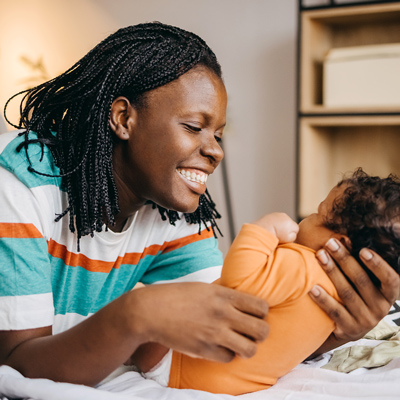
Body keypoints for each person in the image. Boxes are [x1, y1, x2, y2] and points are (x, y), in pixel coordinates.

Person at [0, 22, 398, 388]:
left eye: (219, 134)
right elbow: (15, 368)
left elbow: (234, 332)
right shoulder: (21, 188)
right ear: (123, 118)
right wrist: (136, 314)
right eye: (194, 127)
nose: (215, 151)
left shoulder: (170, 208)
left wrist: (333, 329)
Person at [132, 169, 400, 395]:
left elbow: (239, 286)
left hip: (180, 363)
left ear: (337, 243)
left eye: (318, 214)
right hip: (230, 383)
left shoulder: (304, 266)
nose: (305, 219)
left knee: (141, 311)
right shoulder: (338, 300)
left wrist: (262, 230)